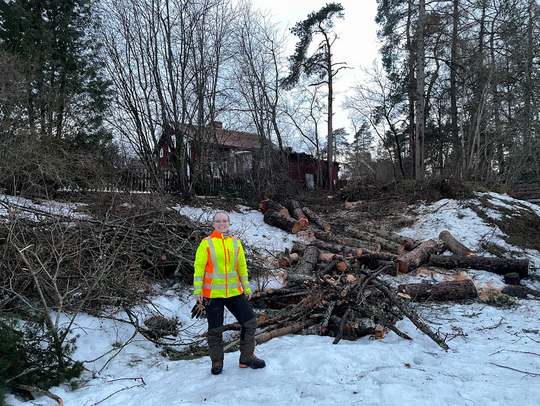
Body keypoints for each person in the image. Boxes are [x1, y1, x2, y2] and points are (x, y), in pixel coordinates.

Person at [193, 211, 266, 375]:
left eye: (224, 221)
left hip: (234, 292)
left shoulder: (236, 242)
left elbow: (241, 266)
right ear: (213, 224)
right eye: (218, 221)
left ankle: (246, 357)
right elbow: (199, 268)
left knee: (250, 322)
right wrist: (198, 290)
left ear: (229, 223)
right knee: (215, 329)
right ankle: (217, 361)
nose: (221, 223)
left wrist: (246, 287)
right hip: (212, 294)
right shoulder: (206, 243)